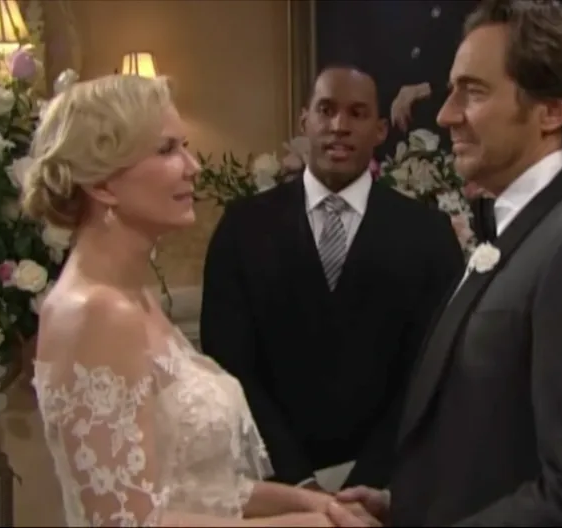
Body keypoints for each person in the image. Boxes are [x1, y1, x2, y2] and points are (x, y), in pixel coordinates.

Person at [330, 0, 562, 525]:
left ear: (551, 110)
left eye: (472, 92)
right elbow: (494, 441)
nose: (446, 114)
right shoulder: (533, 225)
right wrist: (403, 509)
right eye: (452, 91)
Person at [25, 74, 367, 527]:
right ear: (103, 184)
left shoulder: (136, 298)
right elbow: (125, 521)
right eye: (167, 150)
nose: (194, 167)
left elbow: (195, 490)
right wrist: (309, 527)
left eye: (185, 147)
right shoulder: (95, 312)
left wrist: (309, 504)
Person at [200, 65, 464, 495]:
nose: (339, 125)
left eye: (357, 113)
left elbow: (432, 371)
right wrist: (297, 482)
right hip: (272, 485)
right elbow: (229, 364)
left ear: (380, 130)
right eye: (326, 110)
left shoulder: (429, 235)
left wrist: (369, 485)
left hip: (387, 490)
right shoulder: (242, 228)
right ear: (304, 121)